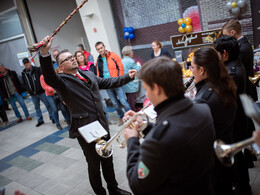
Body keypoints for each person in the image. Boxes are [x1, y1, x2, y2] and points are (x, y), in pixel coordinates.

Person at [39, 36, 135, 195]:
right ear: (61, 67)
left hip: (101, 124)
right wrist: (44, 52)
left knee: (107, 159)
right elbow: (49, 75)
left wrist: (127, 77)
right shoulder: (62, 81)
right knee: (94, 165)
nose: (72, 59)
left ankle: (113, 188)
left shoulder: (88, 74)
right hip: (85, 130)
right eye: (67, 59)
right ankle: (100, 192)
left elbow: (108, 82)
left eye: (72, 56)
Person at [124, 57, 215, 194]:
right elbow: (176, 133)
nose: (146, 95)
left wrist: (132, 141)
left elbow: (137, 185)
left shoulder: (157, 141)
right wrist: (145, 126)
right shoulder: (203, 108)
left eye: (146, 89)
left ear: (156, 89)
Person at [191, 47, 237, 195]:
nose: (191, 71)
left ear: (202, 70)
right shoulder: (223, 84)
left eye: (192, 67)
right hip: (225, 154)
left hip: (213, 165)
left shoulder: (204, 99)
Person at [214, 36, 252, 195]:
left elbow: (225, 98)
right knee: (237, 156)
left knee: (236, 157)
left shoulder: (232, 72)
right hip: (237, 117)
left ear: (224, 53)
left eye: (216, 52)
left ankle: (243, 187)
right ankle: (243, 186)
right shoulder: (233, 65)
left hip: (235, 120)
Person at [95, 41, 131, 126]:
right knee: (115, 103)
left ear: (104, 47)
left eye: (101, 48)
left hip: (116, 82)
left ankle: (131, 116)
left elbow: (120, 67)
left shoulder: (113, 55)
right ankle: (121, 117)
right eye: (98, 49)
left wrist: (120, 79)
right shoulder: (98, 60)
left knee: (123, 101)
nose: (100, 50)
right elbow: (98, 73)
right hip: (107, 84)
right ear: (97, 50)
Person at [222, 19, 257, 101]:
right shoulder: (244, 43)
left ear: (232, 32)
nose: (225, 38)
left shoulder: (241, 48)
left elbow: (235, 66)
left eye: (226, 35)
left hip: (246, 90)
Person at [21, 58, 54, 127]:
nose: (27, 64)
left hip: (41, 92)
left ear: (30, 62)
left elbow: (42, 79)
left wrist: (41, 87)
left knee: (47, 105)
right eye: (25, 63)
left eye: (27, 62)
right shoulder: (23, 73)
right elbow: (24, 83)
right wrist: (28, 90)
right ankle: (40, 120)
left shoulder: (37, 69)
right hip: (33, 94)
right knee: (37, 107)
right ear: (24, 65)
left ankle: (52, 117)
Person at [121, 46, 141, 111]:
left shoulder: (121, 61)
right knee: (132, 101)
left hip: (125, 84)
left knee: (129, 99)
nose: (133, 52)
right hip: (131, 85)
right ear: (129, 52)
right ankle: (133, 113)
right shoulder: (131, 61)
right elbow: (137, 69)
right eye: (132, 51)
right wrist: (138, 64)